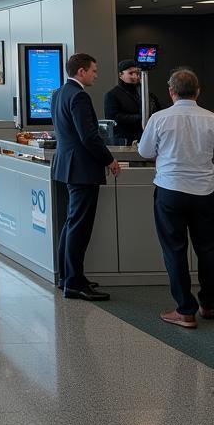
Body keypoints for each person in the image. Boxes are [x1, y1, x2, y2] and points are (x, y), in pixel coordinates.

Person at [137, 68, 214, 329]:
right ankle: (209, 304)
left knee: (175, 250)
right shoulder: (211, 119)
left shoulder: (159, 118)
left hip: (170, 190)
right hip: (205, 191)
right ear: (198, 92)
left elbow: (145, 151)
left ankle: (185, 310)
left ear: (171, 92)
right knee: (208, 249)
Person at [52, 53, 120, 301]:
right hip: (82, 169)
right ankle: (74, 283)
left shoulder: (58, 93)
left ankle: (67, 277)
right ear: (81, 71)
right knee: (79, 227)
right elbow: (89, 136)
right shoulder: (79, 96)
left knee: (71, 224)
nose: (96, 75)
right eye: (93, 70)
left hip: (67, 166)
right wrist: (109, 159)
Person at [104, 59, 161, 144]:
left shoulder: (144, 92)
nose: (136, 76)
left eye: (137, 73)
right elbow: (113, 118)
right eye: (131, 73)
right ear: (120, 75)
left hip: (145, 138)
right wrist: (140, 117)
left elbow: (158, 107)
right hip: (124, 141)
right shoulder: (112, 94)